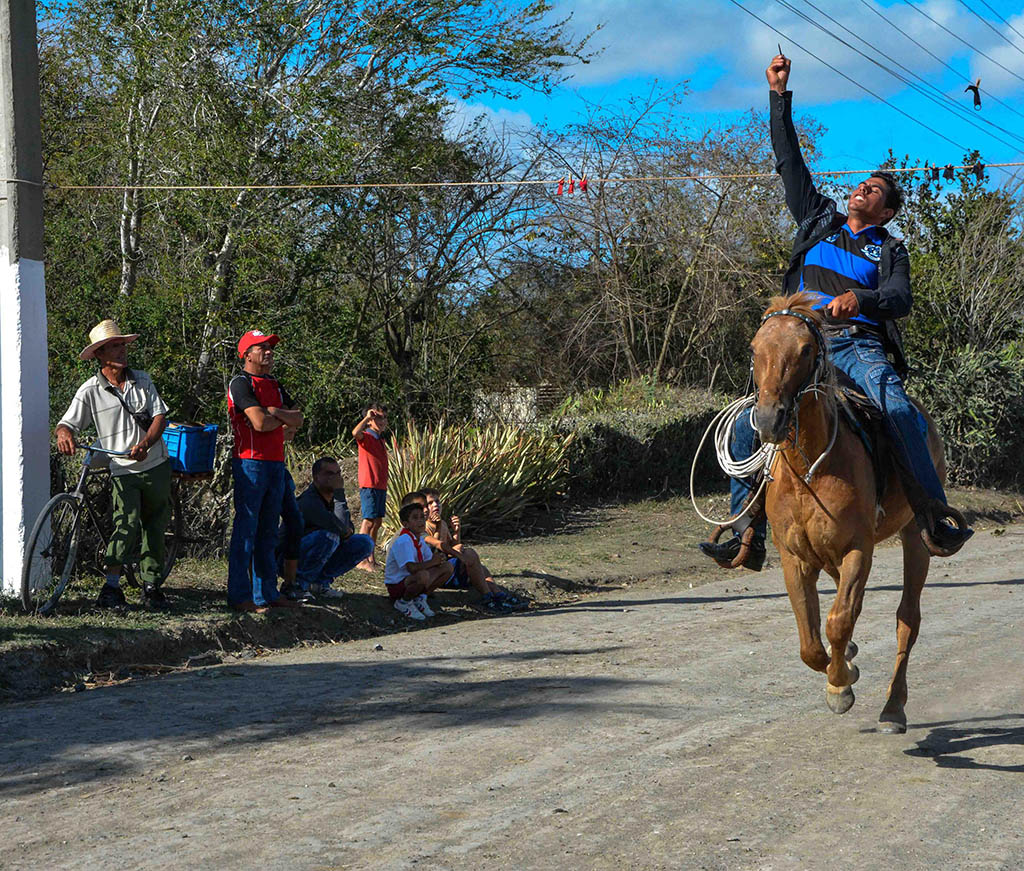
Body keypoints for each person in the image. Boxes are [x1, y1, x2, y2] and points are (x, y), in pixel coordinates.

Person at [700, 53, 972, 570]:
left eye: (873, 189)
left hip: (859, 346)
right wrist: (779, 96)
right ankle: (744, 530)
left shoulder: (891, 250)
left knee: (897, 409)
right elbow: (789, 161)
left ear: (886, 211)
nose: (861, 187)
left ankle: (933, 515)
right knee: (746, 420)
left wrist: (861, 300)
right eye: (861, 184)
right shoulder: (818, 218)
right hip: (804, 344)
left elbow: (899, 299)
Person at [54, 319, 172, 609]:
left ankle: (151, 585)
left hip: (154, 463)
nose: (121, 351)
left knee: (155, 526)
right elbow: (67, 422)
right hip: (122, 468)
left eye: (122, 345)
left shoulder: (142, 380)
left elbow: (159, 417)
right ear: (99, 355)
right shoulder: (89, 390)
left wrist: (146, 444)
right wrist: (64, 434)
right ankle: (111, 587)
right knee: (125, 523)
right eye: (113, 347)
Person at [227, 329, 304, 612]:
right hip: (250, 462)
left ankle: (266, 592)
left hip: (275, 463)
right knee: (247, 529)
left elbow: (298, 419)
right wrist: (278, 418)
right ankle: (239, 596)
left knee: (269, 530)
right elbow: (259, 423)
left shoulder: (274, 383)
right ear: (247, 354)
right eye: (262, 348)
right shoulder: (241, 383)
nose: (269, 352)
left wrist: (274, 411)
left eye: (270, 348)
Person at [420, 488, 524, 611]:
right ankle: (488, 596)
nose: (435, 505)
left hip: (450, 566)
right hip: (440, 572)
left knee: (482, 568)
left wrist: (456, 531)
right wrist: (456, 550)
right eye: (430, 503)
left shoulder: (442, 523)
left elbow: (452, 543)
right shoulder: (424, 527)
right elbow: (435, 550)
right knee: (470, 554)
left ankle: (498, 594)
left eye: (437, 502)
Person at [291, 456, 376, 599]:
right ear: (316, 477)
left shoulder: (333, 500)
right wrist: (339, 493)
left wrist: (338, 499)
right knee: (330, 537)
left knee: (365, 543)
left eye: (338, 474)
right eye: (330, 474)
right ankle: (299, 584)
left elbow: (348, 529)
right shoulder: (309, 501)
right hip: (291, 559)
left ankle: (320, 583)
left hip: (320, 550)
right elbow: (342, 529)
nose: (336, 478)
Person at [384, 499, 453, 621]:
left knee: (447, 567)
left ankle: (420, 598)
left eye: (422, 517)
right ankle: (404, 602)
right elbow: (411, 568)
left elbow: (429, 560)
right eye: (415, 518)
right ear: (405, 524)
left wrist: (439, 559)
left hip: (412, 580)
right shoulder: (404, 540)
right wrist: (433, 562)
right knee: (423, 575)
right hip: (398, 584)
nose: (421, 521)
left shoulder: (419, 539)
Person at [352, 405, 389, 570]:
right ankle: (358, 558)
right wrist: (367, 418)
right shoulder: (366, 437)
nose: (382, 421)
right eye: (378, 418)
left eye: (384, 418)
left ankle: (370, 556)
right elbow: (355, 433)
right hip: (369, 485)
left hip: (380, 486)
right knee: (368, 521)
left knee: (377, 522)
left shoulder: (380, 440)